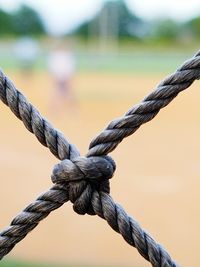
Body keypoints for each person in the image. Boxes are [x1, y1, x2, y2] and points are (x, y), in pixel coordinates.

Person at [48, 43, 76, 112]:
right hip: (61, 77)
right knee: (59, 93)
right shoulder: (59, 56)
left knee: (66, 93)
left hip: (63, 77)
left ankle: (71, 108)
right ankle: (55, 108)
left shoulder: (63, 56)